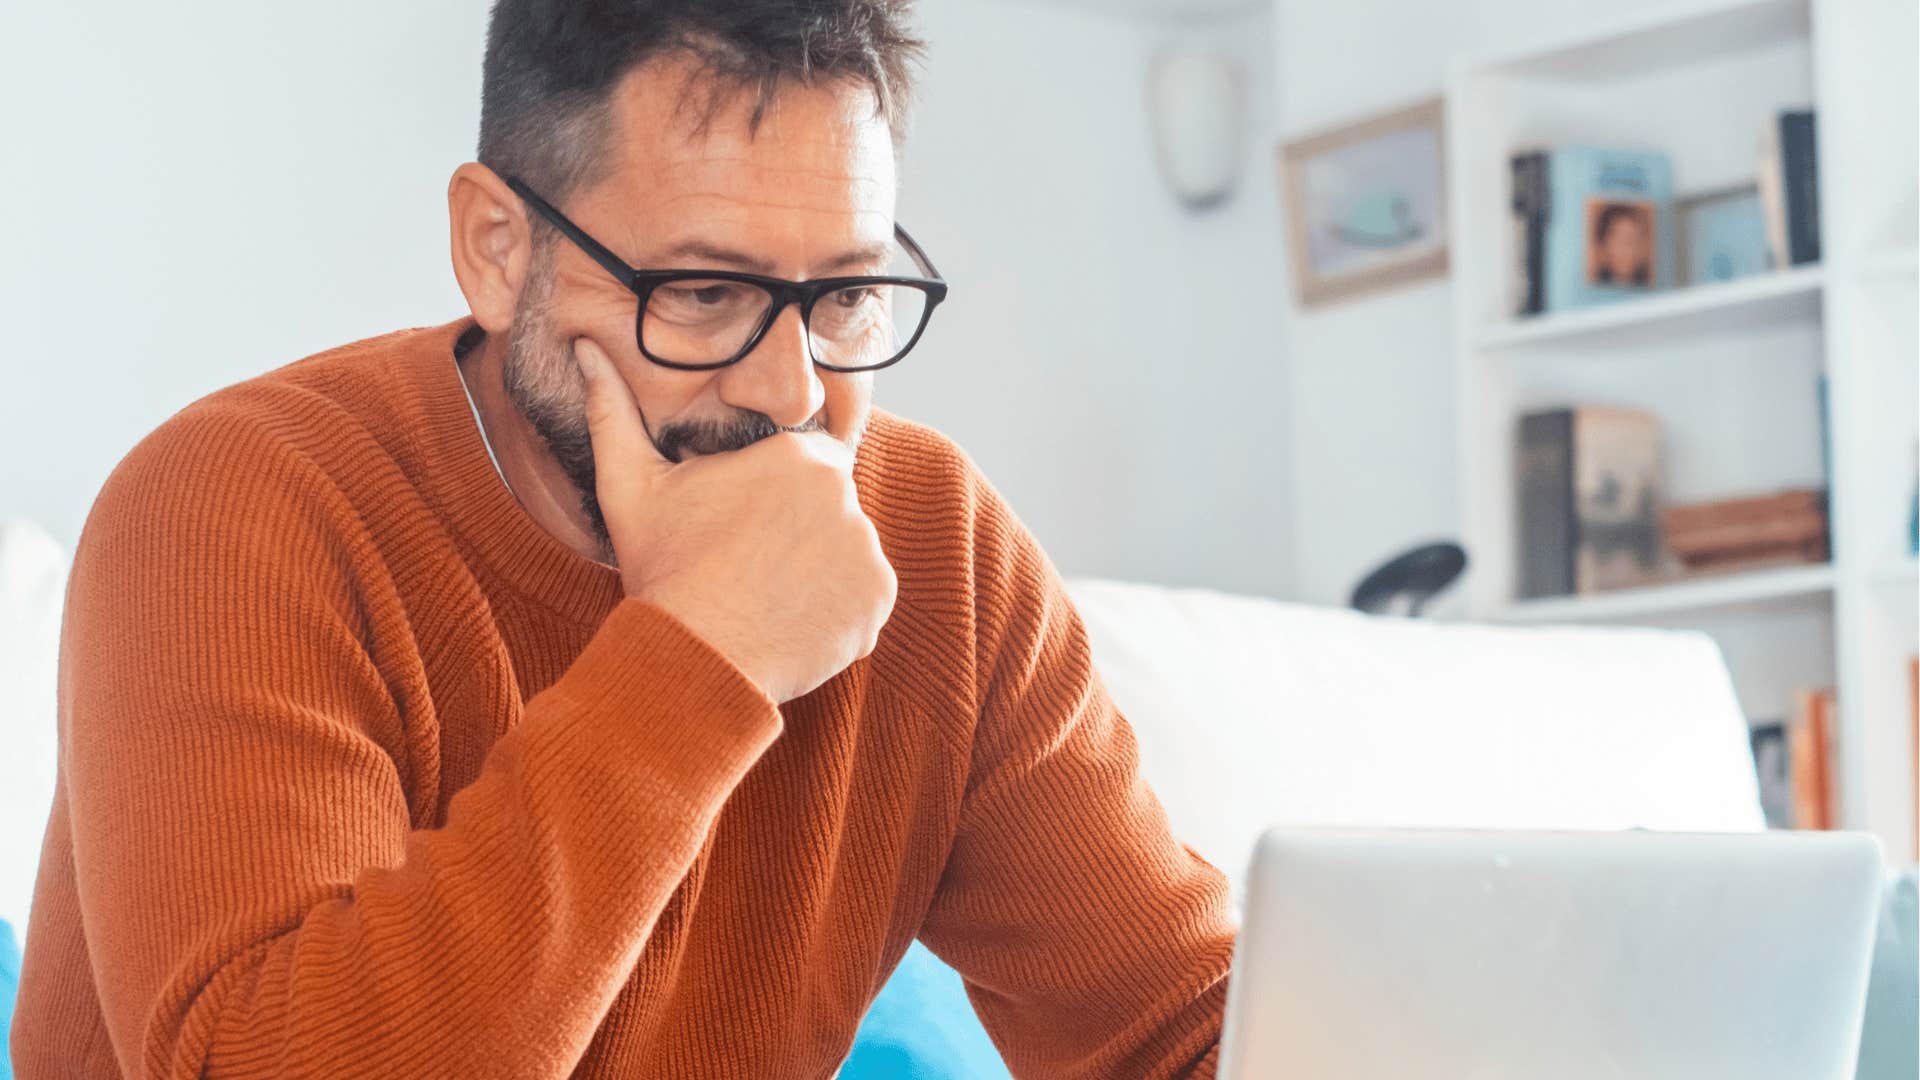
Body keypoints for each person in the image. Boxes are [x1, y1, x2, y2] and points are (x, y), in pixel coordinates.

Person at [10, 3, 1235, 1077]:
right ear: (499, 249)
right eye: (702, 294)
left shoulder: (934, 543)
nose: (794, 394)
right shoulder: (235, 505)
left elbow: (1176, 1029)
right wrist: (705, 650)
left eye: (846, 295)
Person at [1591, 201, 1653, 286]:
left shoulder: (1649, 285)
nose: (1626, 249)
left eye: (1633, 240)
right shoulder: (1594, 281)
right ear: (1604, 244)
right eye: (1619, 240)